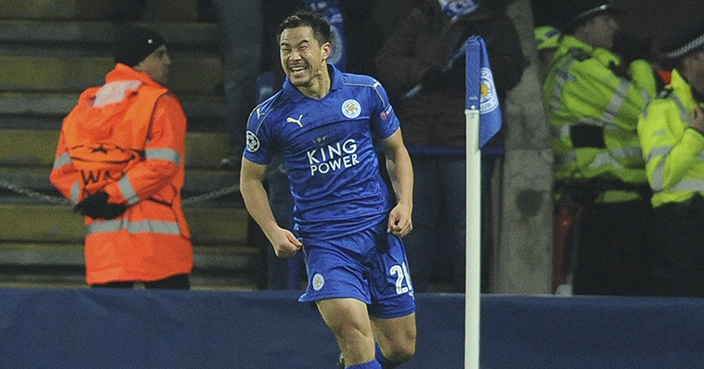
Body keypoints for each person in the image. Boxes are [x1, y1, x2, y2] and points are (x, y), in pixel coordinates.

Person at [239, 9, 416, 369]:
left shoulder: (366, 91)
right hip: (326, 243)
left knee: (400, 348)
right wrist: (273, 231)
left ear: (325, 49)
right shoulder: (268, 117)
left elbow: (396, 151)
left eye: (302, 46)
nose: (293, 57)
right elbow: (250, 179)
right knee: (355, 335)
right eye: (285, 49)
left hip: (379, 234)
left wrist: (405, 203)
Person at [373, 0, 527, 293]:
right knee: (412, 223)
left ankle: (470, 302)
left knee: (467, 228)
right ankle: (406, 299)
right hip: (419, 141)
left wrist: (473, 71)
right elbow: (387, 60)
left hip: (466, 143)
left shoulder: (495, 23)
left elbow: (511, 71)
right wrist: (423, 73)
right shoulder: (421, 17)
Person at [49, 26, 193, 289]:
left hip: (106, 250)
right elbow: (162, 165)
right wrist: (112, 196)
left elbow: (61, 171)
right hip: (158, 248)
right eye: (159, 55)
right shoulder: (160, 103)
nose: (168, 61)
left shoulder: (83, 109)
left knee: (109, 328)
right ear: (139, 60)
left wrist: (91, 199)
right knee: (171, 328)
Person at [543, 0, 657, 296]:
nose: (615, 27)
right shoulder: (580, 69)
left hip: (615, 203)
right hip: (601, 211)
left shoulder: (593, 64)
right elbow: (646, 110)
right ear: (583, 25)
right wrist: (640, 63)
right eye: (605, 19)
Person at [638, 19, 704, 297]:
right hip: (682, 229)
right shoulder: (661, 107)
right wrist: (695, 134)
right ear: (691, 61)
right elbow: (659, 177)